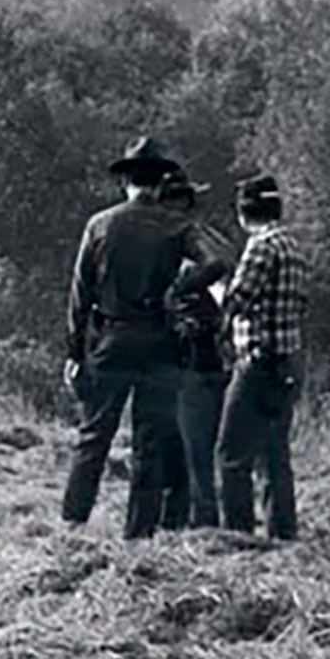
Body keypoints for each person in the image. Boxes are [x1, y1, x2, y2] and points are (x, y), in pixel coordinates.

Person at [62, 136, 231, 540]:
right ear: (158, 184)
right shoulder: (177, 225)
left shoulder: (99, 225)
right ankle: (138, 534)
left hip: (111, 338)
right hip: (160, 341)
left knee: (93, 436)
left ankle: (73, 523)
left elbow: (79, 293)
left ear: (126, 182)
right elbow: (219, 262)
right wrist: (181, 288)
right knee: (151, 442)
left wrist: (74, 350)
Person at [215, 173, 306, 539]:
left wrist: (212, 283)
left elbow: (236, 302)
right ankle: (282, 533)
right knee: (274, 457)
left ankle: (238, 537)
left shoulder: (261, 246)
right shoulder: (292, 247)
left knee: (231, 455)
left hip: (256, 362)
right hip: (286, 362)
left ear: (243, 213)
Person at [159, 168, 232, 530]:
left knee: (194, 445)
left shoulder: (194, 246)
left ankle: (203, 520)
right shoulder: (208, 238)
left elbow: (223, 293)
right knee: (191, 444)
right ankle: (190, 516)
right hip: (205, 354)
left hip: (196, 356)